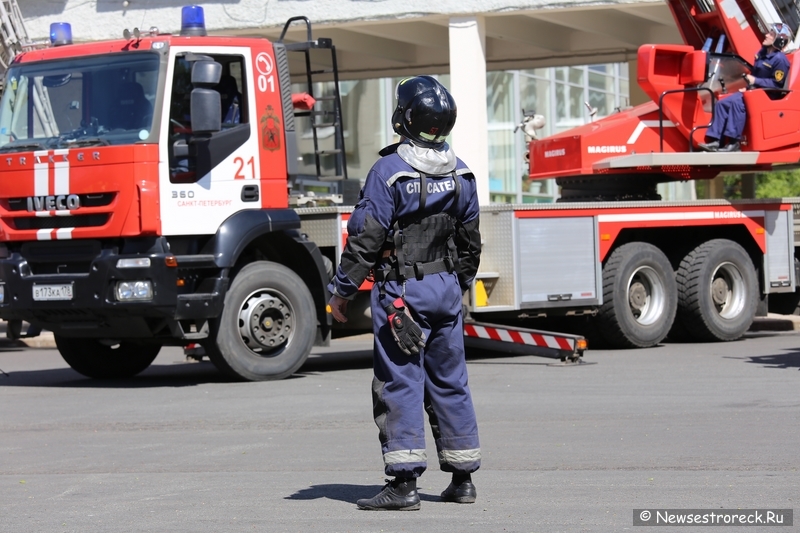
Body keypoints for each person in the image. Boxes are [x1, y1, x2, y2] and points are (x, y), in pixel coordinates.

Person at [327, 76, 482, 511]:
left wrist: (341, 291)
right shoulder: (462, 173)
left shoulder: (388, 172)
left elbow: (366, 238)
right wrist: (455, 286)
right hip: (446, 288)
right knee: (451, 381)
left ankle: (404, 484)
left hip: (402, 293)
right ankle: (462, 478)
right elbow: (471, 244)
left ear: (403, 118)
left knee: (400, 383)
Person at [699, 23, 792, 152]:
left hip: (766, 96)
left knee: (738, 104)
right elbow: (756, 73)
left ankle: (733, 143)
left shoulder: (780, 60)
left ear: (779, 40)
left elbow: (777, 85)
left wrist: (755, 80)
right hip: (753, 91)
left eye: (771, 34)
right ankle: (715, 141)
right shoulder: (762, 52)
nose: (766, 35)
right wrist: (749, 86)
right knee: (722, 103)